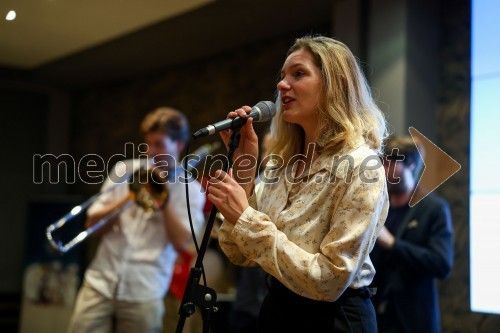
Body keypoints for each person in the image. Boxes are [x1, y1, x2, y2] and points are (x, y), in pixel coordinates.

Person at [207, 35, 389, 332]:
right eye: (282, 77)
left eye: (298, 74)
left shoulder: (362, 165)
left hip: (332, 320)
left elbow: (330, 281)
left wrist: (246, 218)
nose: (281, 85)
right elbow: (237, 252)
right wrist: (244, 170)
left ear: (336, 83)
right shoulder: (281, 164)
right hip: (278, 311)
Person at [67, 107, 206, 333]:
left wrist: (164, 200)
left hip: (144, 291)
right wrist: (129, 195)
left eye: (159, 144)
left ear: (179, 145)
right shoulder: (126, 170)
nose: (151, 152)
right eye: (148, 144)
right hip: (100, 282)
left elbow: (182, 243)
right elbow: (91, 223)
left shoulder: (192, 191)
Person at [370, 135, 454, 333]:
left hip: (414, 320)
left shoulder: (434, 209)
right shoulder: (376, 207)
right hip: (376, 317)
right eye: (382, 163)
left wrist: (391, 243)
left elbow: (441, 264)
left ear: (411, 165)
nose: (383, 171)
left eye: (390, 164)